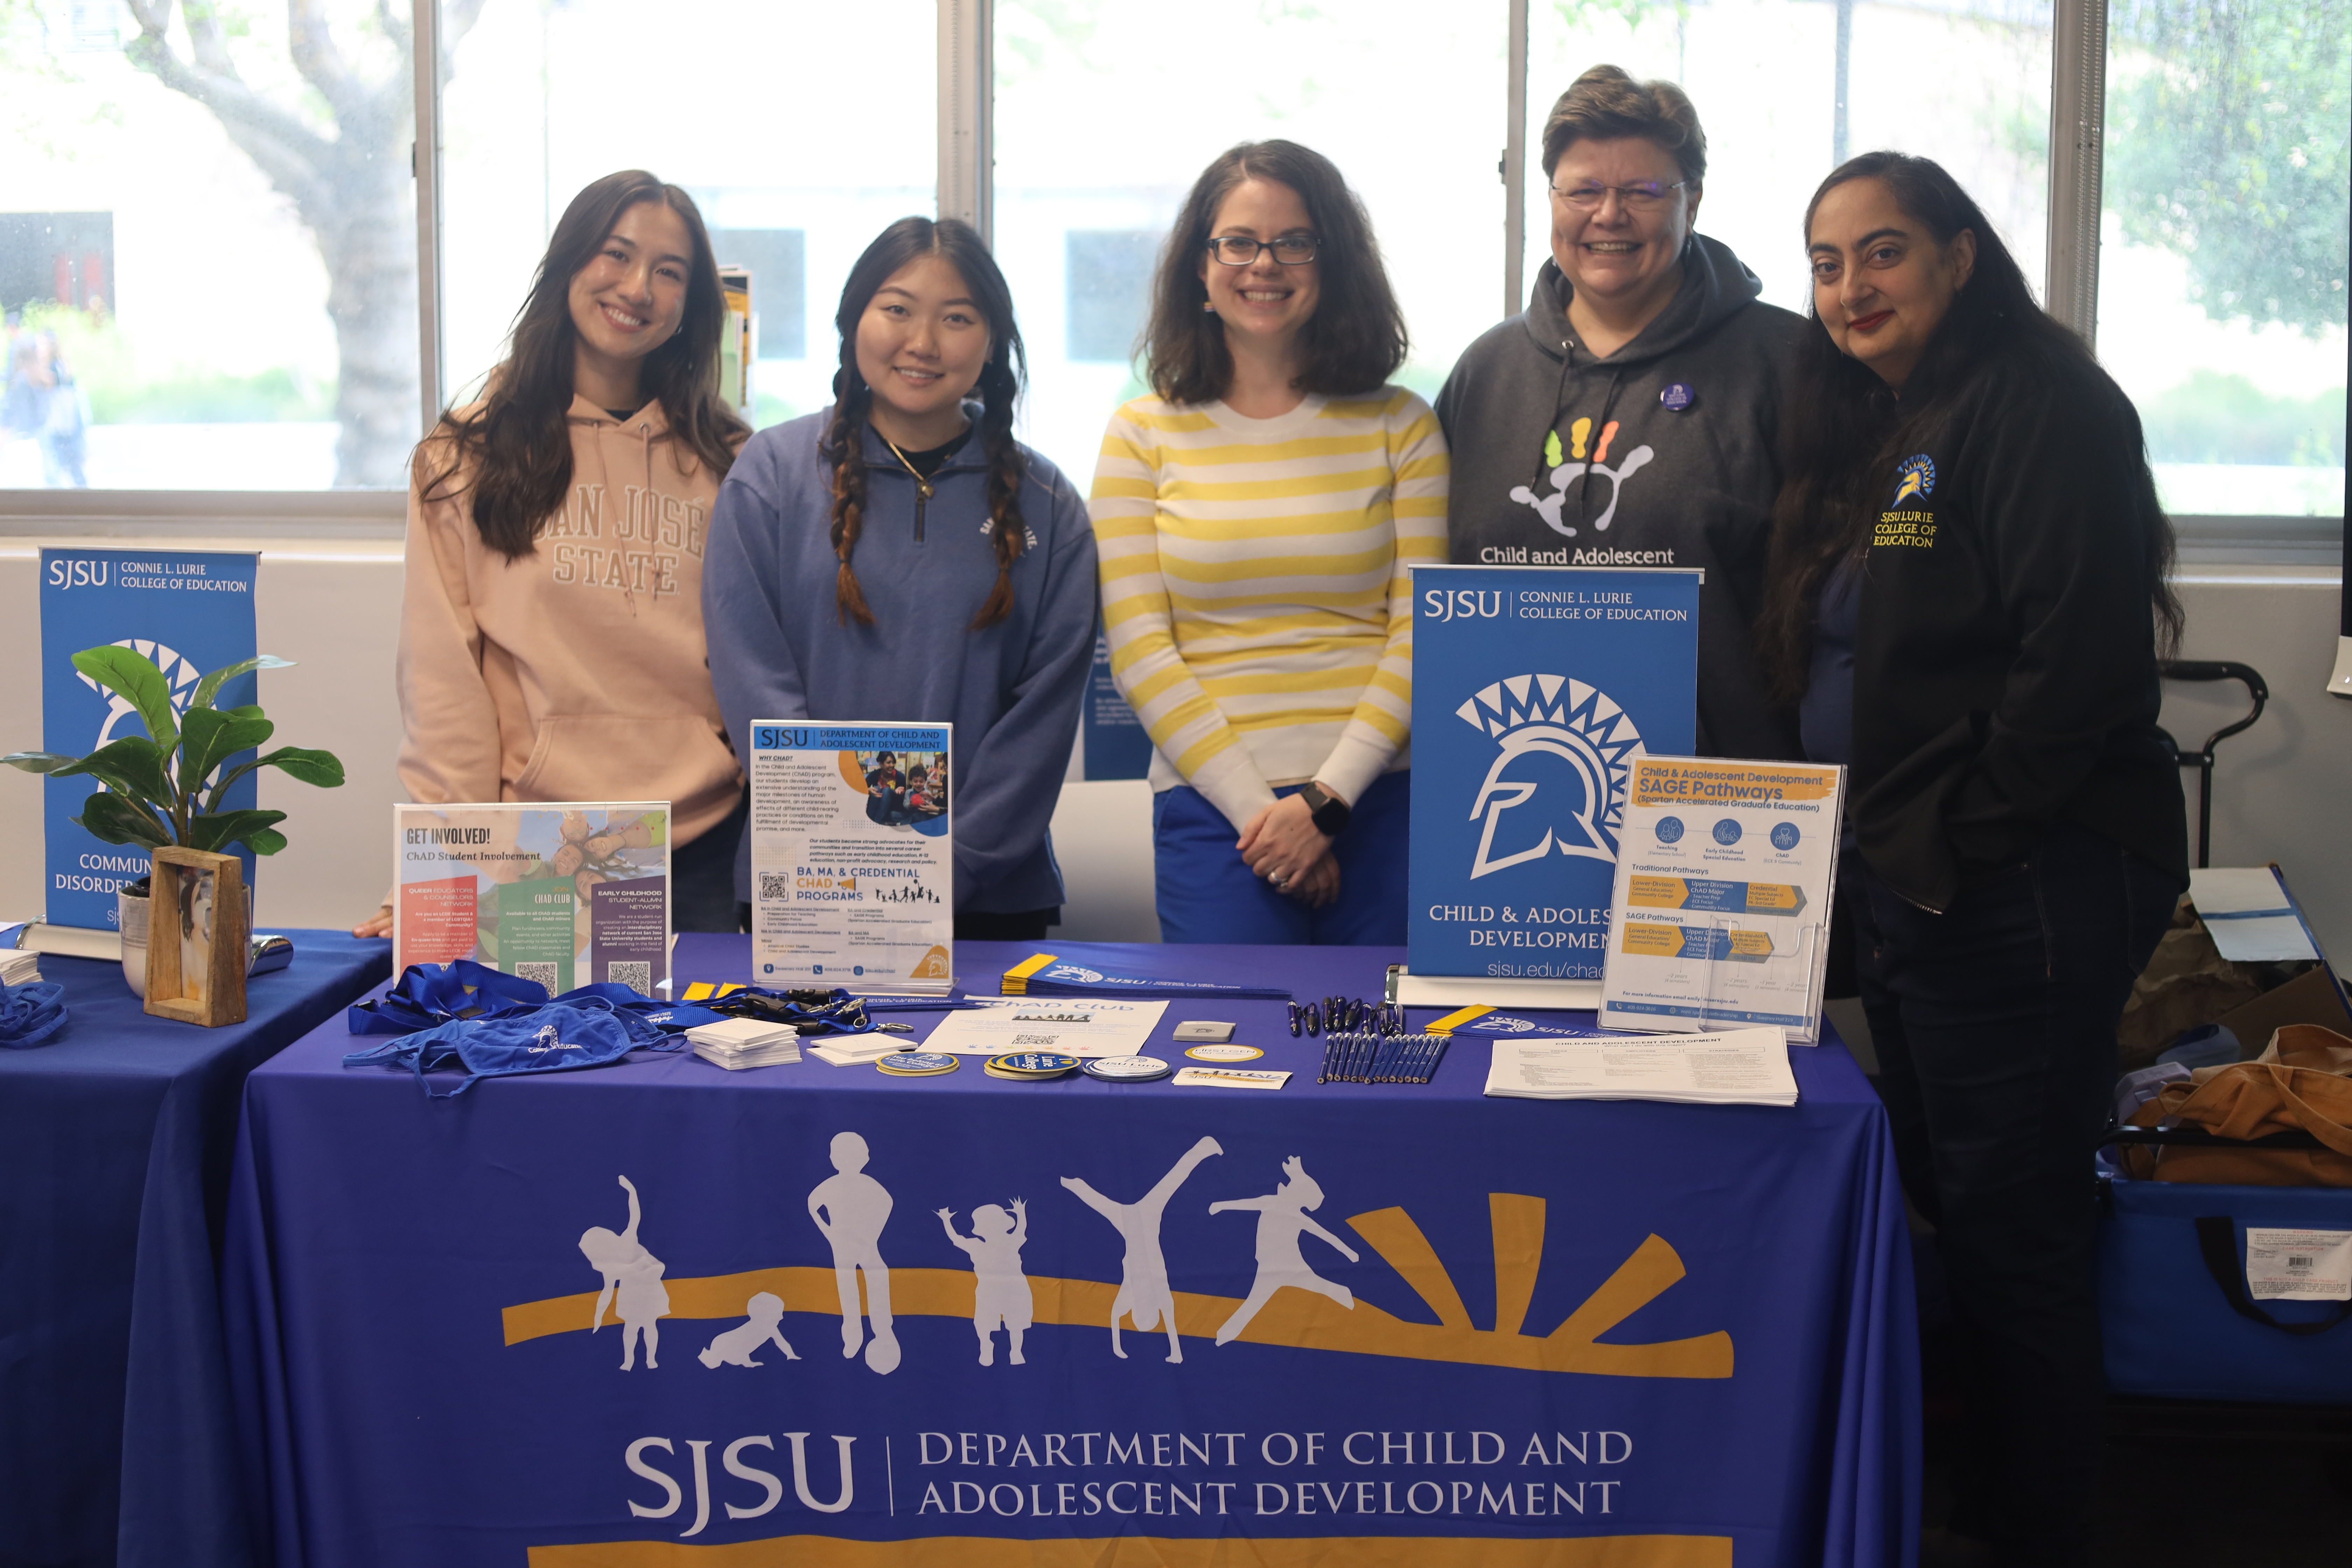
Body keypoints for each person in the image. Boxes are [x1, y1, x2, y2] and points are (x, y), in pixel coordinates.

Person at [1757, 152, 2187, 1568]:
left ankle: (2038, 1531)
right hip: (1922, 885)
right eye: (1826, 263)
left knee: (2021, 1236)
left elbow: (2086, 663)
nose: (1849, 287)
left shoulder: (2043, 402)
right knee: (1967, 1207)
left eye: (1881, 253)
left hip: (2024, 882)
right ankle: (1985, 1509)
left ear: (1958, 255)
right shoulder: (1898, 418)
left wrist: (1961, 837)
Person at [360, 170, 751, 938]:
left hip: (705, 845)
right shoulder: (464, 453)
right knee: (540, 1055)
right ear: (570, 262)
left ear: (690, 307)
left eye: (669, 273)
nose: (638, 287)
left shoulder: (734, 459)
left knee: (698, 1060)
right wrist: (439, 871)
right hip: (537, 845)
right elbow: (444, 683)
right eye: (617, 254)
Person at [1090, 140, 1448, 945]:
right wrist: (1268, 818)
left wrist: (1327, 803)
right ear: (1201, 265)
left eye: (1296, 242)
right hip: (1216, 810)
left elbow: (1422, 633)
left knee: (1393, 1059)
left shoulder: (1403, 425)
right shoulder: (1141, 434)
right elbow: (1141, 650)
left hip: (1383, 799)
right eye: (1240, 242)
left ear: (1333, 262)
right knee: (1226, 1054)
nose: (1265, 264)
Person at [705, 218, 1097, 942]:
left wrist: (950, 867)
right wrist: (851, 849)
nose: (923, 341)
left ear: (992, 343)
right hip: (806, 881)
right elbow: (750, 673)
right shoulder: (773, 475)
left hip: (988, 896)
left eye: (957, 318)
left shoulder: (1049, 503)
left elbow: (1042, 717)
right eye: (897, 309)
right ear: (853, 320)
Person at [1436, 65, 1801, 761]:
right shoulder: (1486, 374)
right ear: (1550, 199)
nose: (1609, 215)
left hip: (1722, 803)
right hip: (1511, 771)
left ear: (1692, 201)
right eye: (1584, 190)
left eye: (1642, 191)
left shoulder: (1786, 363)